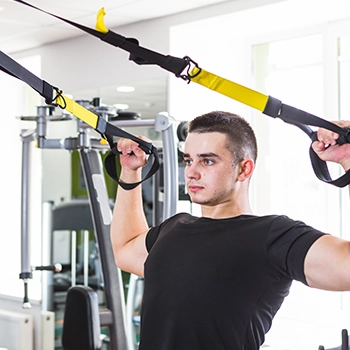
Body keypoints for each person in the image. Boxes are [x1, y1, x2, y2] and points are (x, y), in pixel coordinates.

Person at [110, 111, 350, 349]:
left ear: (244, 169)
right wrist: (131, 171)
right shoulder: (173, 228)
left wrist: (348, 160)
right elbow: (125, 248)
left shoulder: (271, 235)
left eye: (208, 160)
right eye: (188, 160)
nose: (191, 172)